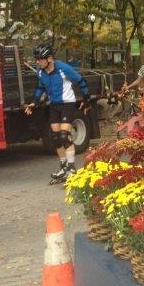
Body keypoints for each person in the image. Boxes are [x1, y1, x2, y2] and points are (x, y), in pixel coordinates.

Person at [25, 44, 91, 183]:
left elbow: (81, 81)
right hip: (54, 105)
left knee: (64, 136)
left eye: (39, 59)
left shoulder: (63, 68)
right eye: (36, 59)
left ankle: (72, 169)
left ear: (49, 58)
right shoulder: (41, 71)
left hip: (67, 104)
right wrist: (34, 102)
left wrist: (87, 101)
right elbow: (40, 87)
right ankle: (63, 167)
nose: (37, 62)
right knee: (55, 138)